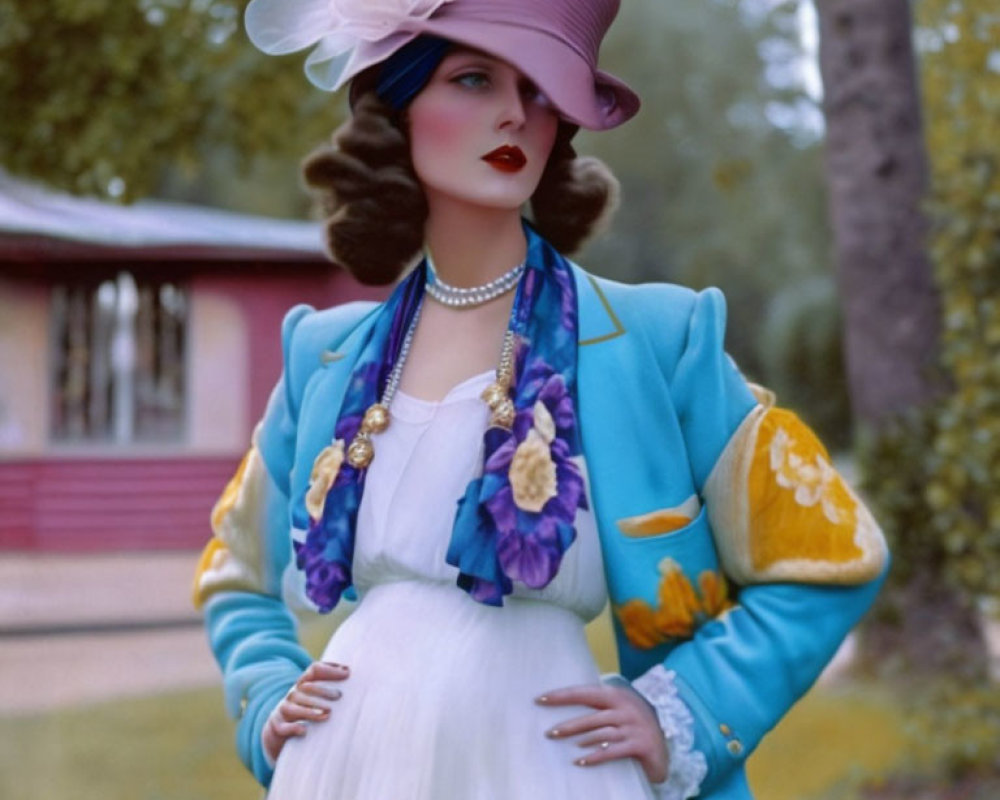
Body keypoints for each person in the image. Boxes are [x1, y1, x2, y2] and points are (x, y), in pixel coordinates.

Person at [193, 1, 889, 798]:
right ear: (398, 105)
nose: (514, 116)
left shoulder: (657, 341)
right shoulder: (326, 355)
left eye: (539, 91)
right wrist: (266, 701)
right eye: (474, 79)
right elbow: (235, 570)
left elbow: (831, 555)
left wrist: (686, 710)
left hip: (551, 768)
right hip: (344, 768)